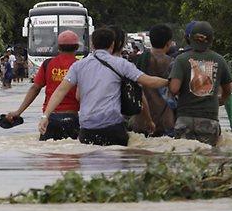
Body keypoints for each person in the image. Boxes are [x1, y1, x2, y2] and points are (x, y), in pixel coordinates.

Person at [41, 28, 169, 146]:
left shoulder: (79, 66)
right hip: (113, 128)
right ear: (112, 44)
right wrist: (169, 82)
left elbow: (60, 91)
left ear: (92, 44)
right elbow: (148, 81)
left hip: (87, 129)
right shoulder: (122, 64)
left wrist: (45, 116)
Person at [6, 31, 81, 141]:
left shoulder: (48, 64)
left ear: (58, 47)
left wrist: (18, 112)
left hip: (50, 118)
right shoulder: (80, 66)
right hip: (72, 118)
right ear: (77, 47)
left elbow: (35, 88)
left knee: (48, 155)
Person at [169, 21, 232, 146]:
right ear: (211, 40)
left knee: (184, 157)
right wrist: (221, 101)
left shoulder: (181, 60)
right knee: (207, 159)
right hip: (209, 119)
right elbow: (228, 90)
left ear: (189, 38)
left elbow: (174, 89)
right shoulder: (219, 60)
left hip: (184, 118)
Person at [130, 24, 175, 137]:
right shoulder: (173, 63)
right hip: (166, 120)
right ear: (168, 43)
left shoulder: (140, 60)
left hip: (141, 120)